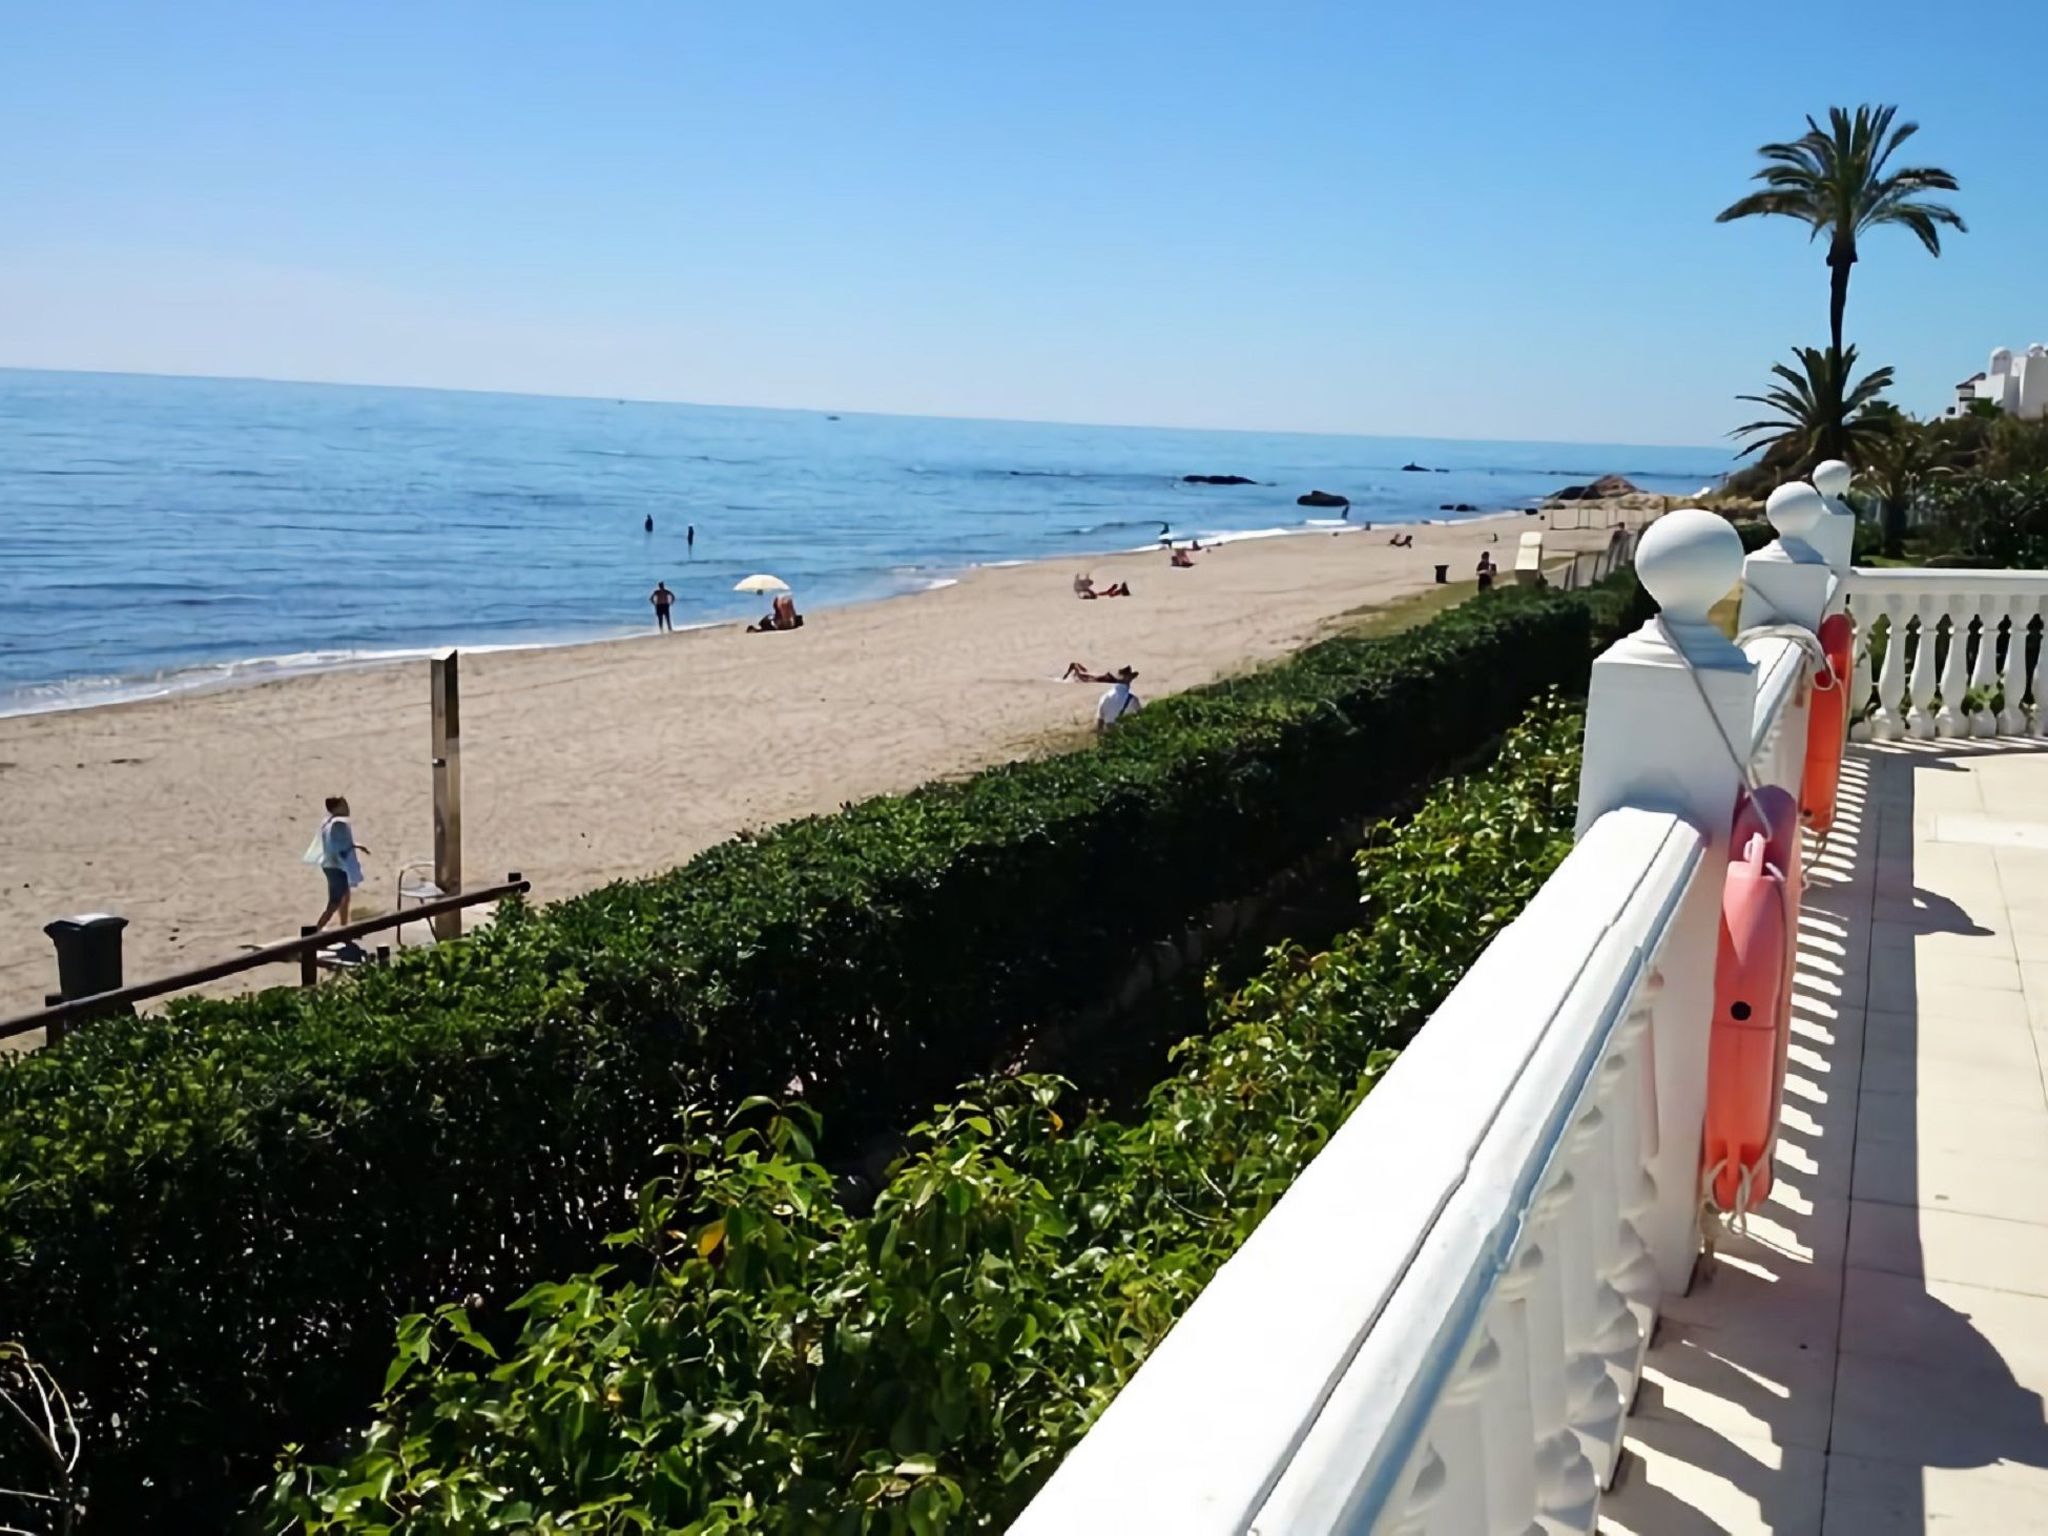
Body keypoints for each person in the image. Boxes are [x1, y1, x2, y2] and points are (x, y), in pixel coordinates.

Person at [309, 795, 368, 932]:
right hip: (336, 867)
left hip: (330, 864)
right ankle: (315, 931)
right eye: (344, 804)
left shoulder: (327, 822)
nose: (347, 807)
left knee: (345, 897)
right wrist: (348, 852)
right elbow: (337, 847)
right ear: (336, 808)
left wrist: (356, 846)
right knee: (335, 901)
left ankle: (344, 928)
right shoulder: (338, 824)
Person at [1096, 666, 1142, 732]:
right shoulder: (1132, 699)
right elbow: (1141, 717)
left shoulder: (1104, 697)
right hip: (1124, 734)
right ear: (1128, 679)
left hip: (1109, 734)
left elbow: (1100, 721)